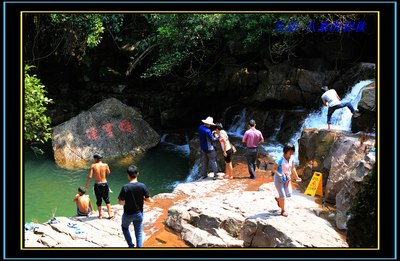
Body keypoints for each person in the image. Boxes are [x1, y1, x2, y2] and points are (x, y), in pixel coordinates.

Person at [118, 165, 154, 248]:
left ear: (128, 175)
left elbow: (120, 202)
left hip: (128, 214)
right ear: (138, 174)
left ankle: (131, 245)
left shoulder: (125, 187)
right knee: (138, 233)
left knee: (124, 228)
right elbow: (148, 199)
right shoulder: (142, 186)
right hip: (139, 213)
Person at [271, 143, 302, 217]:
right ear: (286, 151)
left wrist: (297, 177)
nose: (291, 153)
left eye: (292, 151)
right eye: (290, 151)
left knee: (288, 194)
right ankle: (283, 210)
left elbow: (293, 168)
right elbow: (273, 169)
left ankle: (278, 200)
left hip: (287, 179)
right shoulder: (280, 159)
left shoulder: (292, 158)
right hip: (279, 179)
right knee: (283, 196)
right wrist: (280, 174)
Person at [84, 153, 113, 219]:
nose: (94, 160)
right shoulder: (105, 165)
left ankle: (100, 215)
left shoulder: (93, 166)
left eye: (94, 159)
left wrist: (86, 185)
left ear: (96, 159)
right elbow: (109, 172)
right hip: (105, 184)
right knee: (107, 199)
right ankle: (109, 214)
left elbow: (90, 176)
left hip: (97, 185)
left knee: (98, 199)